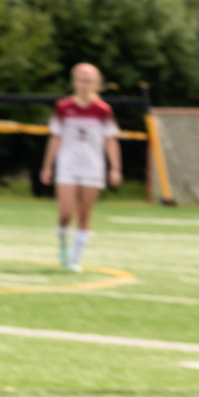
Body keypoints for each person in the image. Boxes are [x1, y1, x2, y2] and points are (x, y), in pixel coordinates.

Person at [39, 63, 122, 272]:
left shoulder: (103, 110)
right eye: (80, 80)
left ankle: (75, 258)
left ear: (96, 84)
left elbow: (110, 140)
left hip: (92, 167)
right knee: (66, 212)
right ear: (74, 82)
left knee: (85, 214)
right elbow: (55, 138)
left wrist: (115, 168)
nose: (84, 85)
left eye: (89, 81)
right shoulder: (63, 107)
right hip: (67, 165)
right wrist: (47, 167)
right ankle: (63, 247)